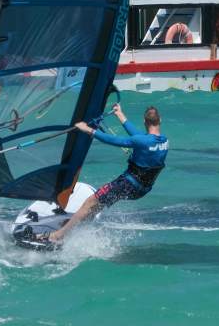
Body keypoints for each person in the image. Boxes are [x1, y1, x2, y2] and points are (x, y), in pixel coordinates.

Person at [44, 104, 169, 246]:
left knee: (90, 202)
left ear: (144, 122)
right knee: (97, 206)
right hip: (141, 189)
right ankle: (77, 230)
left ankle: (57, 236)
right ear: (160, 120)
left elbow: (114, 140)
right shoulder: (164, 141)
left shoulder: (141, 141)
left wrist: (88, 129)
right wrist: (120, 114)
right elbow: (137, 136)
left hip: (127, 184)